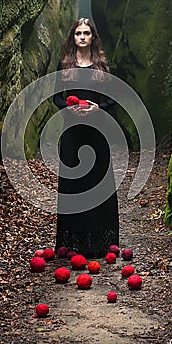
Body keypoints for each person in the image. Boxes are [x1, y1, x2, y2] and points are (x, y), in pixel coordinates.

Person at [53, 17, 119, 258]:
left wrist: (97, 107)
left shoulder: (101, 66)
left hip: (96, 133)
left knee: (98, 183)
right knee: (73, 186)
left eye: (86, 33)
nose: (82, 36)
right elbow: (57, 98)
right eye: (78, 33)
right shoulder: (65, 65)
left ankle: (100, 243)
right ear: (73, 37)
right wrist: (68, 108)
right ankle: (72, 243)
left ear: (93, 37)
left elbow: (113, 98)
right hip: (72, 133)